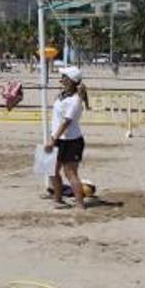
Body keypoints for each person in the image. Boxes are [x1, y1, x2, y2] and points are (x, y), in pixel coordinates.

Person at [45, 66, 87, 210]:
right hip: (57, 138)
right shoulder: (62, 95)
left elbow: (66, 122)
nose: (61, 78)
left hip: (71, 141)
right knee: (51, 170)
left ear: (72, 80)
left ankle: (80, 203)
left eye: (64, 76)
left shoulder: (75, 100)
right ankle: (58, 199)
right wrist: (53, 136)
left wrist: (53, 139)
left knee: (70, 173)